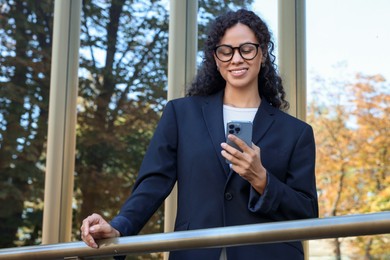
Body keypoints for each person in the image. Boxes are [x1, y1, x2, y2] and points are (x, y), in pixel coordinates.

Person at [81, 9, 318, 260]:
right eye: (226, 51)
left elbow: (307, 212)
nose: (236, 59)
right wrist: (119, 226)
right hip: (195, 254)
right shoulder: (181, 114)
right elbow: (152, 184)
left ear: (262, 54)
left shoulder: (296, 132)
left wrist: (262, 180)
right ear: (216, 59)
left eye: (246, 49)